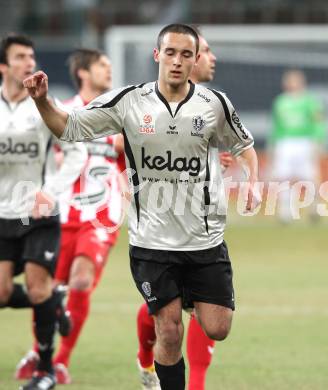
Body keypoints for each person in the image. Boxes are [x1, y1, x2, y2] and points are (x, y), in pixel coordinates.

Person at [23, 24, 260, 390]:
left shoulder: (214, 104)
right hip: (151, 242)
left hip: (204, 241)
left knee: (218, 327)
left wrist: (253, 184)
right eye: (170, 53)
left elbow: (243, 144)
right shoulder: (129, 101)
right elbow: (66, 127)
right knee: (169, 330)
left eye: (186, 55)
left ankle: (183, 302)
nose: (177, 61)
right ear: (157, 55)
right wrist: (42, 100)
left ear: (194, 59)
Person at [16, 48, 126, 385]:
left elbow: (131, 161)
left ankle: (60, 361)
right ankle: (41, 351)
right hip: (62, 213)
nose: (109, 70)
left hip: (102, 216)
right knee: (45, 289)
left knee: (79, 282)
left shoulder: (119, 116)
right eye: (102, 65)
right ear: (83, 72)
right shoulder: (60, 111)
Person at [135, 29, 234, 390]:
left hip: (202, 229)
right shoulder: (144, 106)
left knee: (203, 321)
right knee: (169, 319)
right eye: (206, 51)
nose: (211, 58)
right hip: (159, 233)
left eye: (200, 51)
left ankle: (154, 360)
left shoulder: (212, 105)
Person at [0, 34, 87, 390]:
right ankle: (56, 301)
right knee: (2, 293)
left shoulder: (44, 106)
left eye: (31, 56)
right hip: (3, 215)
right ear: (3, 66)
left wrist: (50, 193)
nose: (27, 62)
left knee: (36, 291)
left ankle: (46, 371)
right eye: (20, 57)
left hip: (37, 216)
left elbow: (78, 152)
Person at [269, 69, 326, 223]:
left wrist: (318, 140)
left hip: (305, 141)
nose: (291, 83)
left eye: (294, 80)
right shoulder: (280, 102)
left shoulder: (310, 102)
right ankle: (285, 212)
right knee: (283, 177)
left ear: (302, 83)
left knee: (309, 176)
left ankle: (315, 208)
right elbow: (276, 127)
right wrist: (273, 145)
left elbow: (318, 123)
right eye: (289, 80)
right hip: (285, 142)